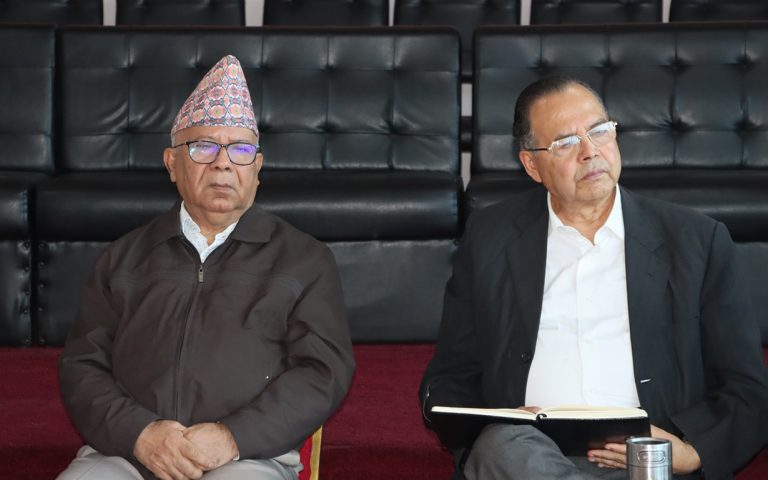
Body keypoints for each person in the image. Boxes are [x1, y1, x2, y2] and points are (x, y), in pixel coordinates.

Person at [420, 75, 768, 480]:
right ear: (532, 165)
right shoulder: (489, 239)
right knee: (501, 445)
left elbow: (747, 388)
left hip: (643, 460)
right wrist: (487, 427)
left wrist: (691, 451)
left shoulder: (696, 241)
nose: (590, 152)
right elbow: (451, 376)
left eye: (599, 131)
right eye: (565, 143)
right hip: (528, 455)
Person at [57, 55, 355, 480]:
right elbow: (82, 365)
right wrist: (139, 434)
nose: (223, 163)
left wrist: (232, 437)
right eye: (203, 147)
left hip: (248, 455)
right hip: (124, 452)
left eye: (241, 149)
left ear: (257, 168)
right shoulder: (123, 258)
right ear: (171, 163)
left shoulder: (304, 260)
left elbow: (322, 372)